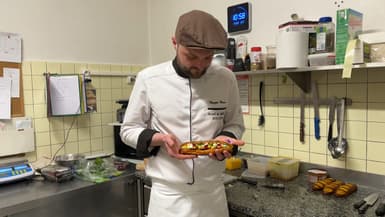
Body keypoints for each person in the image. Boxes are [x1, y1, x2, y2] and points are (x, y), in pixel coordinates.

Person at [120, 9, 245, 217]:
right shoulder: (149, 79)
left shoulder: (226, 79)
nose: (199, 64)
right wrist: (157, 138)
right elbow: (128, 130)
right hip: (168, 200)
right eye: (191, 56)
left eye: (207, 58)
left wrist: (228, 139)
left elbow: (235, 124)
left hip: (212, 198)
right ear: (174, 42)